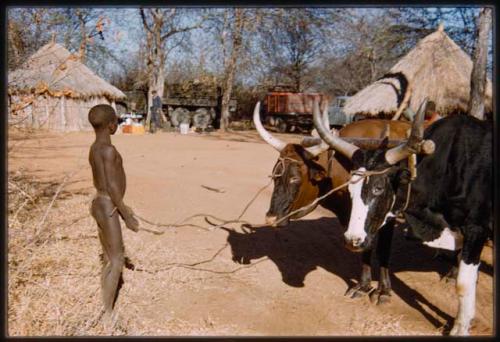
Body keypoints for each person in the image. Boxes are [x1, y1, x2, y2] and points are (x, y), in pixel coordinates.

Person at [88, 104, 139, 323]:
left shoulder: (94, 148)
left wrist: (123, 208)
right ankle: (107, 313)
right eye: (116, 122)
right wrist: (126, 215)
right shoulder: (108, 150)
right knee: (117, 259)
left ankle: (104, 301)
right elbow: (112, 185)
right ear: (111, 125)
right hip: (108, 204)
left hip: (99, 202)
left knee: (109, 257)